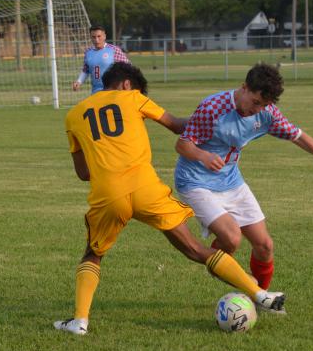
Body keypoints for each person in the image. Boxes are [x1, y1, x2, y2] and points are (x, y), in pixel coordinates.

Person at [54, 62, 285, 335]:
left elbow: (82, 173)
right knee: (195, 249)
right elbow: (177, 125)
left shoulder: (73, 116)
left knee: (93, 254)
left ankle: (80, 320)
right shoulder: (133, 97)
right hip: (146, 189)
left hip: (108, 193)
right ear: (128, 85)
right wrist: (209, 123)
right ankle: (260, 294)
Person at [174, 63, 313, 302]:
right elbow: (182, 144)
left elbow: (297, 136)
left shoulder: (266, 113)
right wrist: (203, 156)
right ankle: (249, 287)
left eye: (265, 105)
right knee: (232, 238)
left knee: (265, 246)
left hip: (230, 181)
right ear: (244, 87)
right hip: (195, 181)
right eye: (256, 102)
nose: (257, 110)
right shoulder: (213, 107)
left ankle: (257, 296)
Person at [72, 25, 130, 94]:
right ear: (90, 37)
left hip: (112, 92)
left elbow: (128, 67)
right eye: (93, 37)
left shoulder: (113, 50)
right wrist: (79, 81)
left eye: (99, 36)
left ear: (104, 36)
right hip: (96, 92)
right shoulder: (88, 52)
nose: (96, 40)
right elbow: (86, 70)